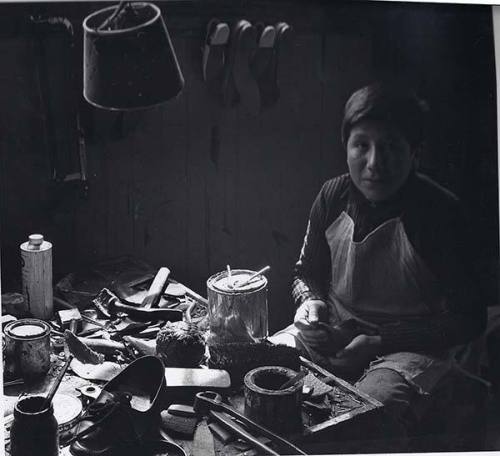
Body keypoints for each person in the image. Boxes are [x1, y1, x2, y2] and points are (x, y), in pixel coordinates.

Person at [269, 82, 487, 445]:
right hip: (334, 330)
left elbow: (469, 319)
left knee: (363, 417)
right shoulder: (332, 195)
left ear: (414, 151)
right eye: (362, 146)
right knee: (266, 363)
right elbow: (305, 272)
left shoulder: (440, 213)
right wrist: (310, 302)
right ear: (346, 146)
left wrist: (380, 339)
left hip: (409, 349)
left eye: (390, 147)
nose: (374, 163)